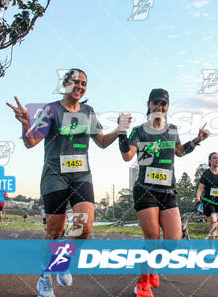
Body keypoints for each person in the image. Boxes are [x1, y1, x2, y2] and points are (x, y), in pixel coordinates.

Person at [7, 68, 128, 297]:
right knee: (54, 231)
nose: (80, 87)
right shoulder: (51, 110)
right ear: (65, 83)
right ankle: (44, 277)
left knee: (85, 226)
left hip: (81, 174)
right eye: (75, 82)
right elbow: (31, 142)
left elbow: (101, 142)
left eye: (84, 83)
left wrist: (119, 130)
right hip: (55, 174)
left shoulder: (88, 112)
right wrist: (25, 123)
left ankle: (62, 260)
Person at [119, 88, 209, 297]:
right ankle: (141, 283)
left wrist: (197, 140)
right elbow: (127, 155)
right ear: (149, 105)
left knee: (173, 242)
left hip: (168, 192)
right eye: (155, 103)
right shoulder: (140, 131)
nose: (159, 107)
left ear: (167, 107)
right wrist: (122, 132)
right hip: (145, 190)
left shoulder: (172, 130)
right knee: (152, 237)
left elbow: (179, 151)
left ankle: (151, 267)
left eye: (163, 103)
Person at [196, 152, 218, 240]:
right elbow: (200, 188)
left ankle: (208, 239)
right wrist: (198, 197)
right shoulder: (206, 173)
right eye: (214, 158)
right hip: (208, 202)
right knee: (214, 224)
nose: (217, 160)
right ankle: (211, 248)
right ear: (210, 161)